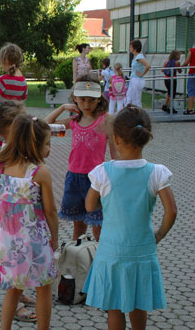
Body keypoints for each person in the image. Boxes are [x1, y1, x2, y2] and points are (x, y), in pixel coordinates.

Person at [83, 105, 177, 330]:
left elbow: (89, 206)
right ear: (145, 137)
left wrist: (105, 200)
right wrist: (159, 234)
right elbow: (171, 211)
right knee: (139, 303)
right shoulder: (157, 172)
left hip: (111, 250)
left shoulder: (102, 172)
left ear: (115, 139)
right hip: (142, 250)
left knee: (114, 307)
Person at [0, 114, 58, 330]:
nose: (49, 149)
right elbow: (50, 211)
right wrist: (54, 239)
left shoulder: (0, 166)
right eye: (47, 144)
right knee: (43, 288)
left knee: (13, 288)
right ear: (33, 145)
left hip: (7, 241)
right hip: (34, 242)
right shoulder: (40, 173)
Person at [45, 74, 117, 241]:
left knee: (99, 227)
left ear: (99, 99)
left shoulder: (105, 120)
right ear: (75, 98)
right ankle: (78, 261)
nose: (86, 104)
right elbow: (45, 126)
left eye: (91, 100)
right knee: (78, 230)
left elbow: (115, 152)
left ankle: (100, 263)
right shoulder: (74, 122)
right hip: (74, 178)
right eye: (82, 99)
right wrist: (63, 107)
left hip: (97, 179)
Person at [126, 40, 150, 107]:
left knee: (136, 99)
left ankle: (138, 114)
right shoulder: (136, 57)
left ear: (135, 48)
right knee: (129, 97)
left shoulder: (139, 57)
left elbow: (148, 65)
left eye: (131, 47)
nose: (130, 48)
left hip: (137, 79)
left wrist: (142, 74)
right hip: (134, 79)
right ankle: (130, 113)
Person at [181, 44, 195, 115]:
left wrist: (181, 66)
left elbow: (187, 62)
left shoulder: (192, 51)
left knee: (191, 90)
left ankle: (190, 109)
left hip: (193, 72)